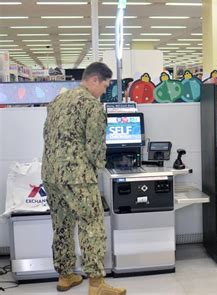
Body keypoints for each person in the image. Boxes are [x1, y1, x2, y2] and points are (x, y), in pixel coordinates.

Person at [42, 62, 126, 295]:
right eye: (105, 85)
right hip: (77, 176)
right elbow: (95, 146)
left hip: (50, 174)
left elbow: (47, 135)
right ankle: (97, 284)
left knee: (62, 225)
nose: (104, 90)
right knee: (92, 224)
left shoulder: (58, 100)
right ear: (94, 80)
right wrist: (98, 168)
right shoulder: (92, 105)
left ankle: (66, 274)